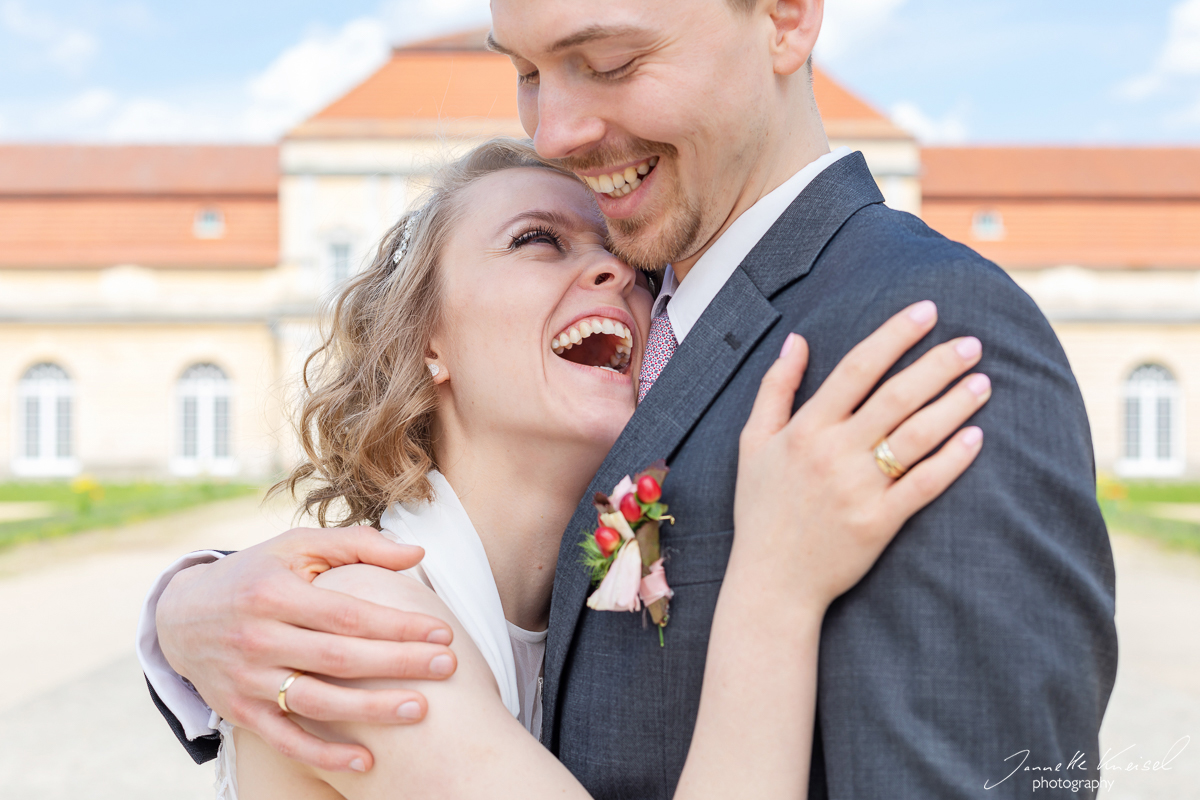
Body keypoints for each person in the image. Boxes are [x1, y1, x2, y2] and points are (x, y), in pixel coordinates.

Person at [141, 1, 1118, 797]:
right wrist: (183, 609)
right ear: (422, 336)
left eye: (606, 61)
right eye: (525, 73)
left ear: (786, 16)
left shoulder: (917, 327)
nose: (553, 131)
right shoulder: (372, 617)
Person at [218, 136, 987, 799]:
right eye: (537, 240)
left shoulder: (591, 614)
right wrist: (779, 584)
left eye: (628, 261)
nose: (616, 274)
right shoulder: (358, 627)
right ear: (427, 341)